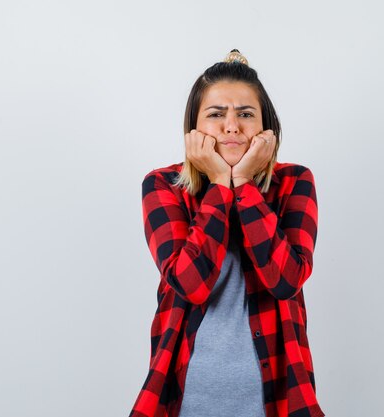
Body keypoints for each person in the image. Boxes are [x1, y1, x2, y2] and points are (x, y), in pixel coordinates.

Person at [129, 50, 325, 417]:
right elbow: (190, 284)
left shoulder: (295, 182)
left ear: (267, 128)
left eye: (246, 114)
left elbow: (285, 280)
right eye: (216, 114)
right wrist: (220, 184)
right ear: (194, 129)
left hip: (279, 399)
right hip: (185, 400)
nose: (231, 126)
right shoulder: (163, 186)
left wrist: (244, 185)